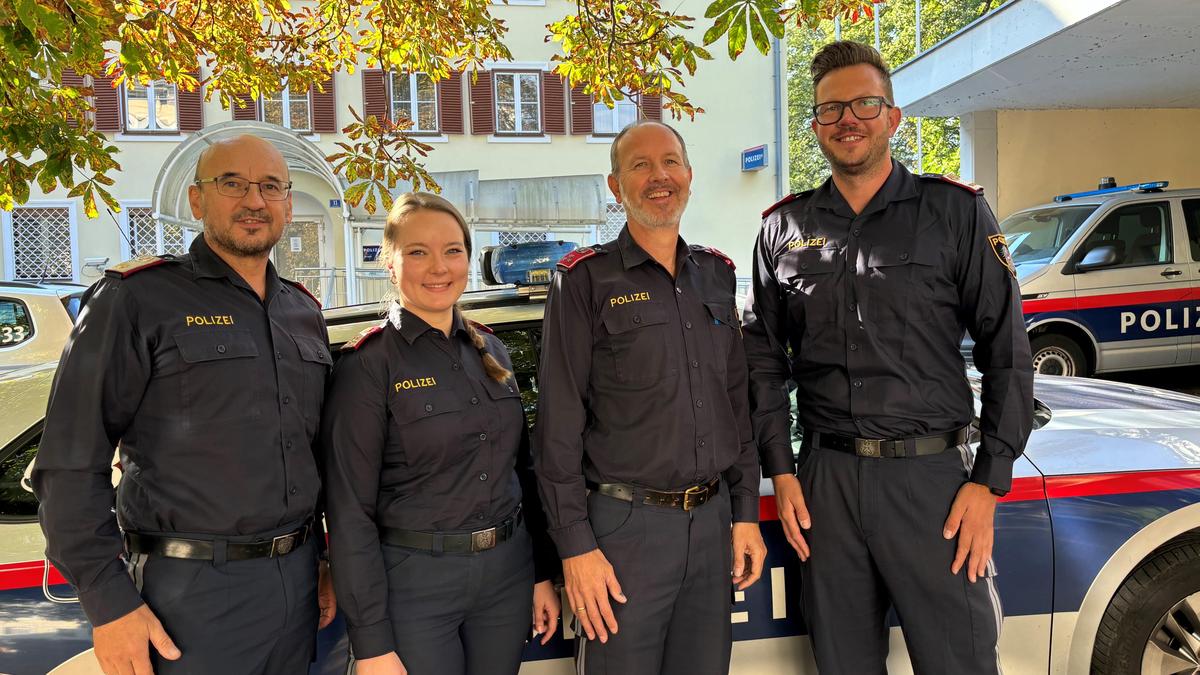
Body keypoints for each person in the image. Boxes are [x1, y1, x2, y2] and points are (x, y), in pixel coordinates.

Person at [743, 41, 1035, 674]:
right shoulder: (781, 230)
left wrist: (988, 480)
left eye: (865, 104)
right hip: (826, 485)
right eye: (831, 108)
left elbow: (1008, 349)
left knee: (958, 660)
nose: (848, 118)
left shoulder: (955, 211)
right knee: (843, 662)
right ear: (816, 124)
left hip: (932, 484)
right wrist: (783, 469)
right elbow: (763, 364)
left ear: (893, 116)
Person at [32, 134, 336, 674]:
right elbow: (69, 462)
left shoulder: (303, 313)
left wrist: (325, 558)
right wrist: (109, 604)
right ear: (197, 201)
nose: (254, 201)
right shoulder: (137, 299)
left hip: (298, 585)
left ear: (288, 204)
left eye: (270, 187)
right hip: (189, 597)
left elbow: (319, 453)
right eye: (232, 184)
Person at [534, 119, 767, 675]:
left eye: (669, 162)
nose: (658, 176)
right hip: (621, 534)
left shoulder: (716, 275)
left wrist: (744, 515)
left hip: (711, 527)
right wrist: (575, 547)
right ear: (616, 187)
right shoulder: (584, 281)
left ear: (688, 175)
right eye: (639, 165)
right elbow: (557, 430)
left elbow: (737, 405)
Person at [322, 192, 560, 675]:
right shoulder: (367, 365)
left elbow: (523, 474)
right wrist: (370, 643)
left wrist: (538, 575)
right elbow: (349, 511)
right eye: (418, 251)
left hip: (505, 578)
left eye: (453, 250)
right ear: (389, 262)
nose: (439, 267)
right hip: (414, 586)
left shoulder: (493, 350)